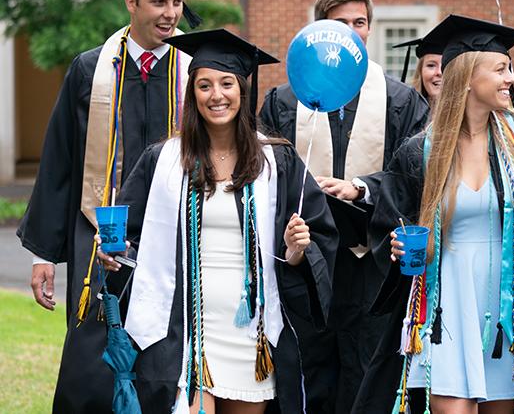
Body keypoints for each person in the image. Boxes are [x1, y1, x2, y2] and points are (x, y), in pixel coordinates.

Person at [352, 15, 514, 414]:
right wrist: (398, 244)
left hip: (504, 303)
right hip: (445, 304)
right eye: (500, 69)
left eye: (509, 69)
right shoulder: (419, 152)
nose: (510, 78)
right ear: (467, 77)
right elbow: (392, 227)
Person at [99, 28, 339, 414]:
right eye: (205, 85)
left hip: (252, 332)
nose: (216, 95)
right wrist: (114, 256)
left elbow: (318, 242)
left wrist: (296, 252)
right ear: (192, 93)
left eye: (227, 83)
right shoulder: (163, 159)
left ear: (243, 91)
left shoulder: (277, 161)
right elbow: (129, 239)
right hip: (181, 327)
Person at [16, 0, 202, 412]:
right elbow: (61, 162)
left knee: (164, 356)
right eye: (159, 1)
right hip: (97, 232)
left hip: (172, 234)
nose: (171, 13)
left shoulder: (195, 70)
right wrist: (44, 255)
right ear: (131, 2)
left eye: (178, 1)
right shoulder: (90, 68)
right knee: (91, 360)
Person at [258, 0, 429, 412]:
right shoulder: (283, 100)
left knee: (366, 374)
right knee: (310, 370)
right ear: (319, 30)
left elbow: (416, 177)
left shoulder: (400, 100)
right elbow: (262, 173)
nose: (352, 31)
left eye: (360, 23)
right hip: (306, 263)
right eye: (340, 23)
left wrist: (362, 187)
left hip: (370, 263)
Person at [394, 35, 444, 112]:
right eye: (431, 65)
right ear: (420, 72)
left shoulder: (467, 118)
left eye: (445, 65)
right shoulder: (405, 115)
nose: (439, 72)